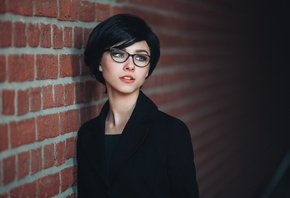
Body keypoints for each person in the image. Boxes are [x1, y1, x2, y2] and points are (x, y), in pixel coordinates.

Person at [77, 13, 199, 198]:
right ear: (99, 63)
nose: (130, 66)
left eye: (140, 58)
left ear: (148, 69)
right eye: (119, 54)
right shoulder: (87, 134)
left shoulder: (171, 132)